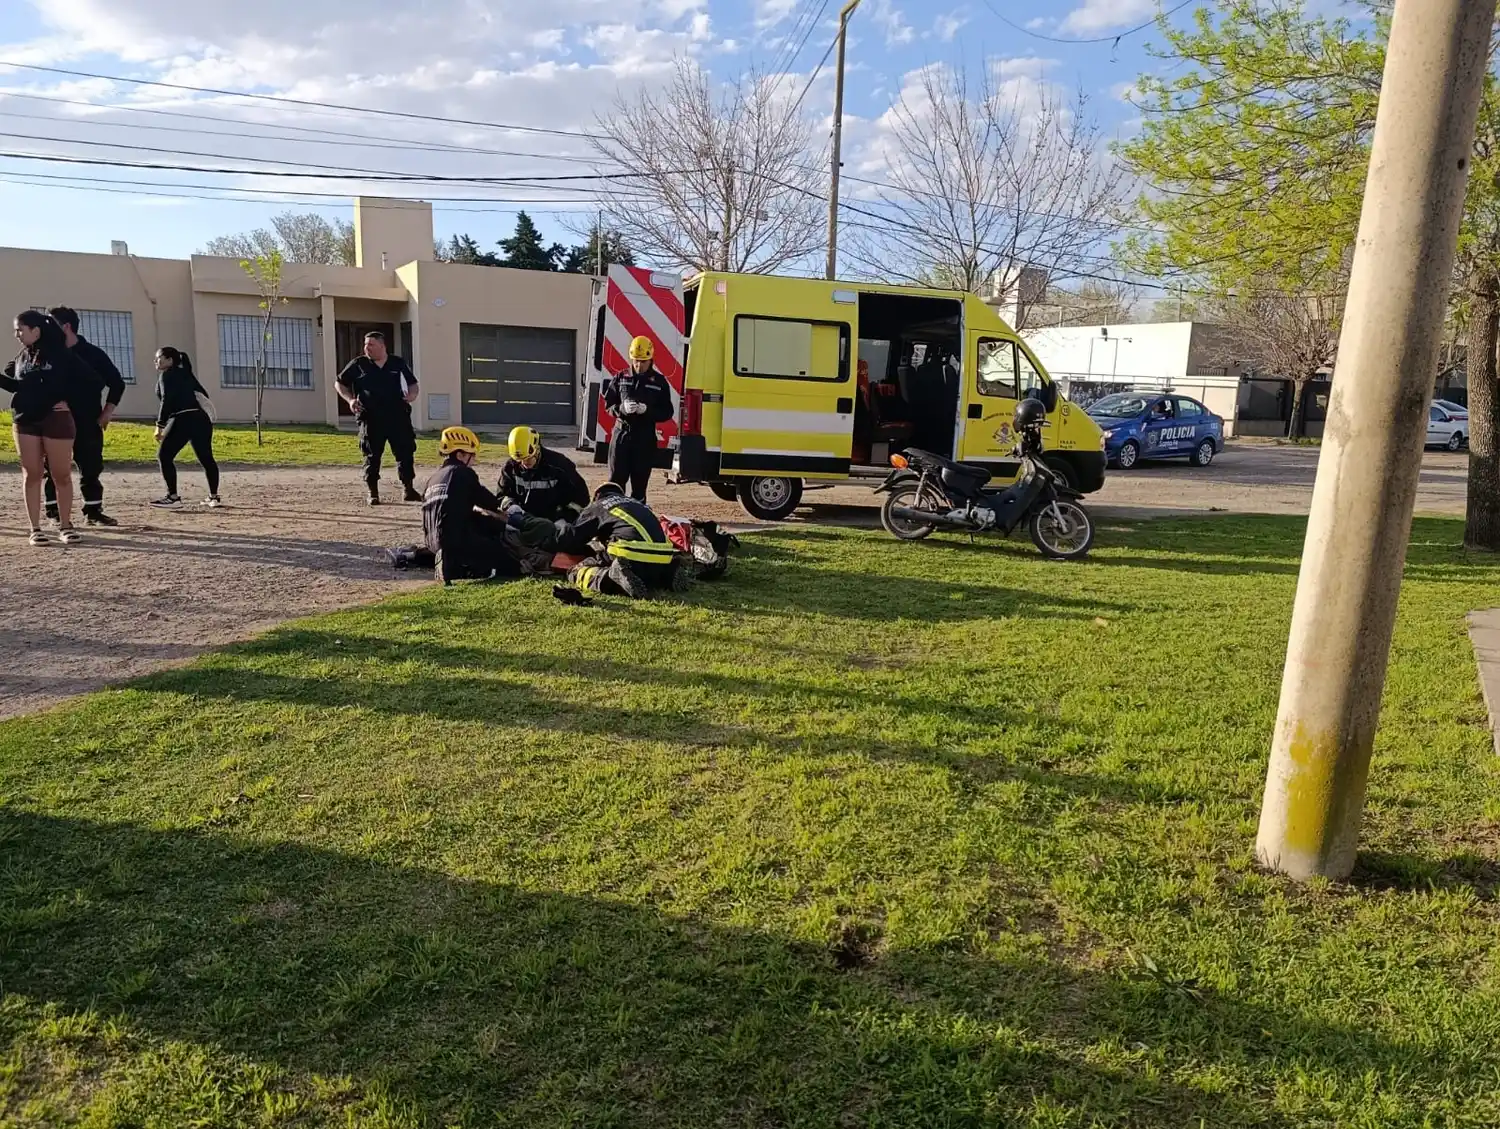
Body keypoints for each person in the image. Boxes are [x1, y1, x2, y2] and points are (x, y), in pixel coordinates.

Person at [2, 311, 82, 545]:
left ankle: (66, 525)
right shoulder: (21, 358)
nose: (16, 334)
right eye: (16, 330)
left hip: (56, 419)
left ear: (36, 330)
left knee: (61, 475)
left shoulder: (61, 355)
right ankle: (35, 529)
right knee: (32, 475)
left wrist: (68, 401)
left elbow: (90, 381)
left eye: (20, 329)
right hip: (25, 420)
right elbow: (18, 386)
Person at [44, 307, 127, 527]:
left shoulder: (93, 354)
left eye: (50, 324)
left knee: (90, 466)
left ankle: (93, 511)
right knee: (52, 467)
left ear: (66, 326)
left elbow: (117, 382)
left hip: (87, 418)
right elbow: (17, 369)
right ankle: (53, 511)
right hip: (55, 420)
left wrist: (107, 412)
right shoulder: (46, 352)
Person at [422, 426, 530, 584]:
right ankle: (455, 569)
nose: (474, 461)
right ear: (460, 455)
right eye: (471, 456)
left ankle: (447, 561)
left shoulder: (432, 480)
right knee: (507, 562)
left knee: (482, 521)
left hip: (432, 542)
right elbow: (488, 502)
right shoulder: (462, 473)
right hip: (455, 539)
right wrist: (509, 513)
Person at [555, 481, 683, 599]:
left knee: (575, 571)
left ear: (597, 495)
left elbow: (571, 539)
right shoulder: (637, 504)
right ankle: (667, 575)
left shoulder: (599, 505)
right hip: (663, 556)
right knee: (646, 568)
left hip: (629, 553)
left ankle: (612, 579)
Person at [336, 331, 420, 506]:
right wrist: (350, 400)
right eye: (365, 345)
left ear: (382, 346)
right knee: (371, 455)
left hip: (398, 416)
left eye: (371, 345)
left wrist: (412, 395)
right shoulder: (358, 364)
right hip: (371, 417)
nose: (367, 348)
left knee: (405, 452)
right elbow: (340, 383)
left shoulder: (397, 363)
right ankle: (372, 492)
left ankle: (408, 489)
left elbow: (413, 383)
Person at [603, 335, 674, 502]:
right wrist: (621, 408)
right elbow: (609, 405)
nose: (639, 365)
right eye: (636, 360)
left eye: (643, 361)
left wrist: (647, 410)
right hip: (622, 435)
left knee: (639, 483)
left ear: (651, 360)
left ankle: (637, 516)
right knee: (616, 482)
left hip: (644, 438)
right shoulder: (621, 378)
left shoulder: (659, 382)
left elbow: (667, 412)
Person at [150, 347, 221, 509]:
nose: (155, 361)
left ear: (169, 360)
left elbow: (166, 401)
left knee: (164, 456)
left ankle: (173, 497)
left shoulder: (166, 375)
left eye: (158, 358)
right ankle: (214, 497)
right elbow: (203, 394)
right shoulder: (186, 374)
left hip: (183, 418)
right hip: (201, 419)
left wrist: (159, 426)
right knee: (206, 458)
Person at [498, 425, 589, 522]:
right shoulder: (510, 468)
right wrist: (511, 506)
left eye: (528, 458)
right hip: (524, 521)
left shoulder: (559, 465)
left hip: (555, 523)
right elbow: (502, 496)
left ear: (537, 449)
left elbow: (581, 498)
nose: (524, 463)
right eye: (520, 460)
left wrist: (565, 518)